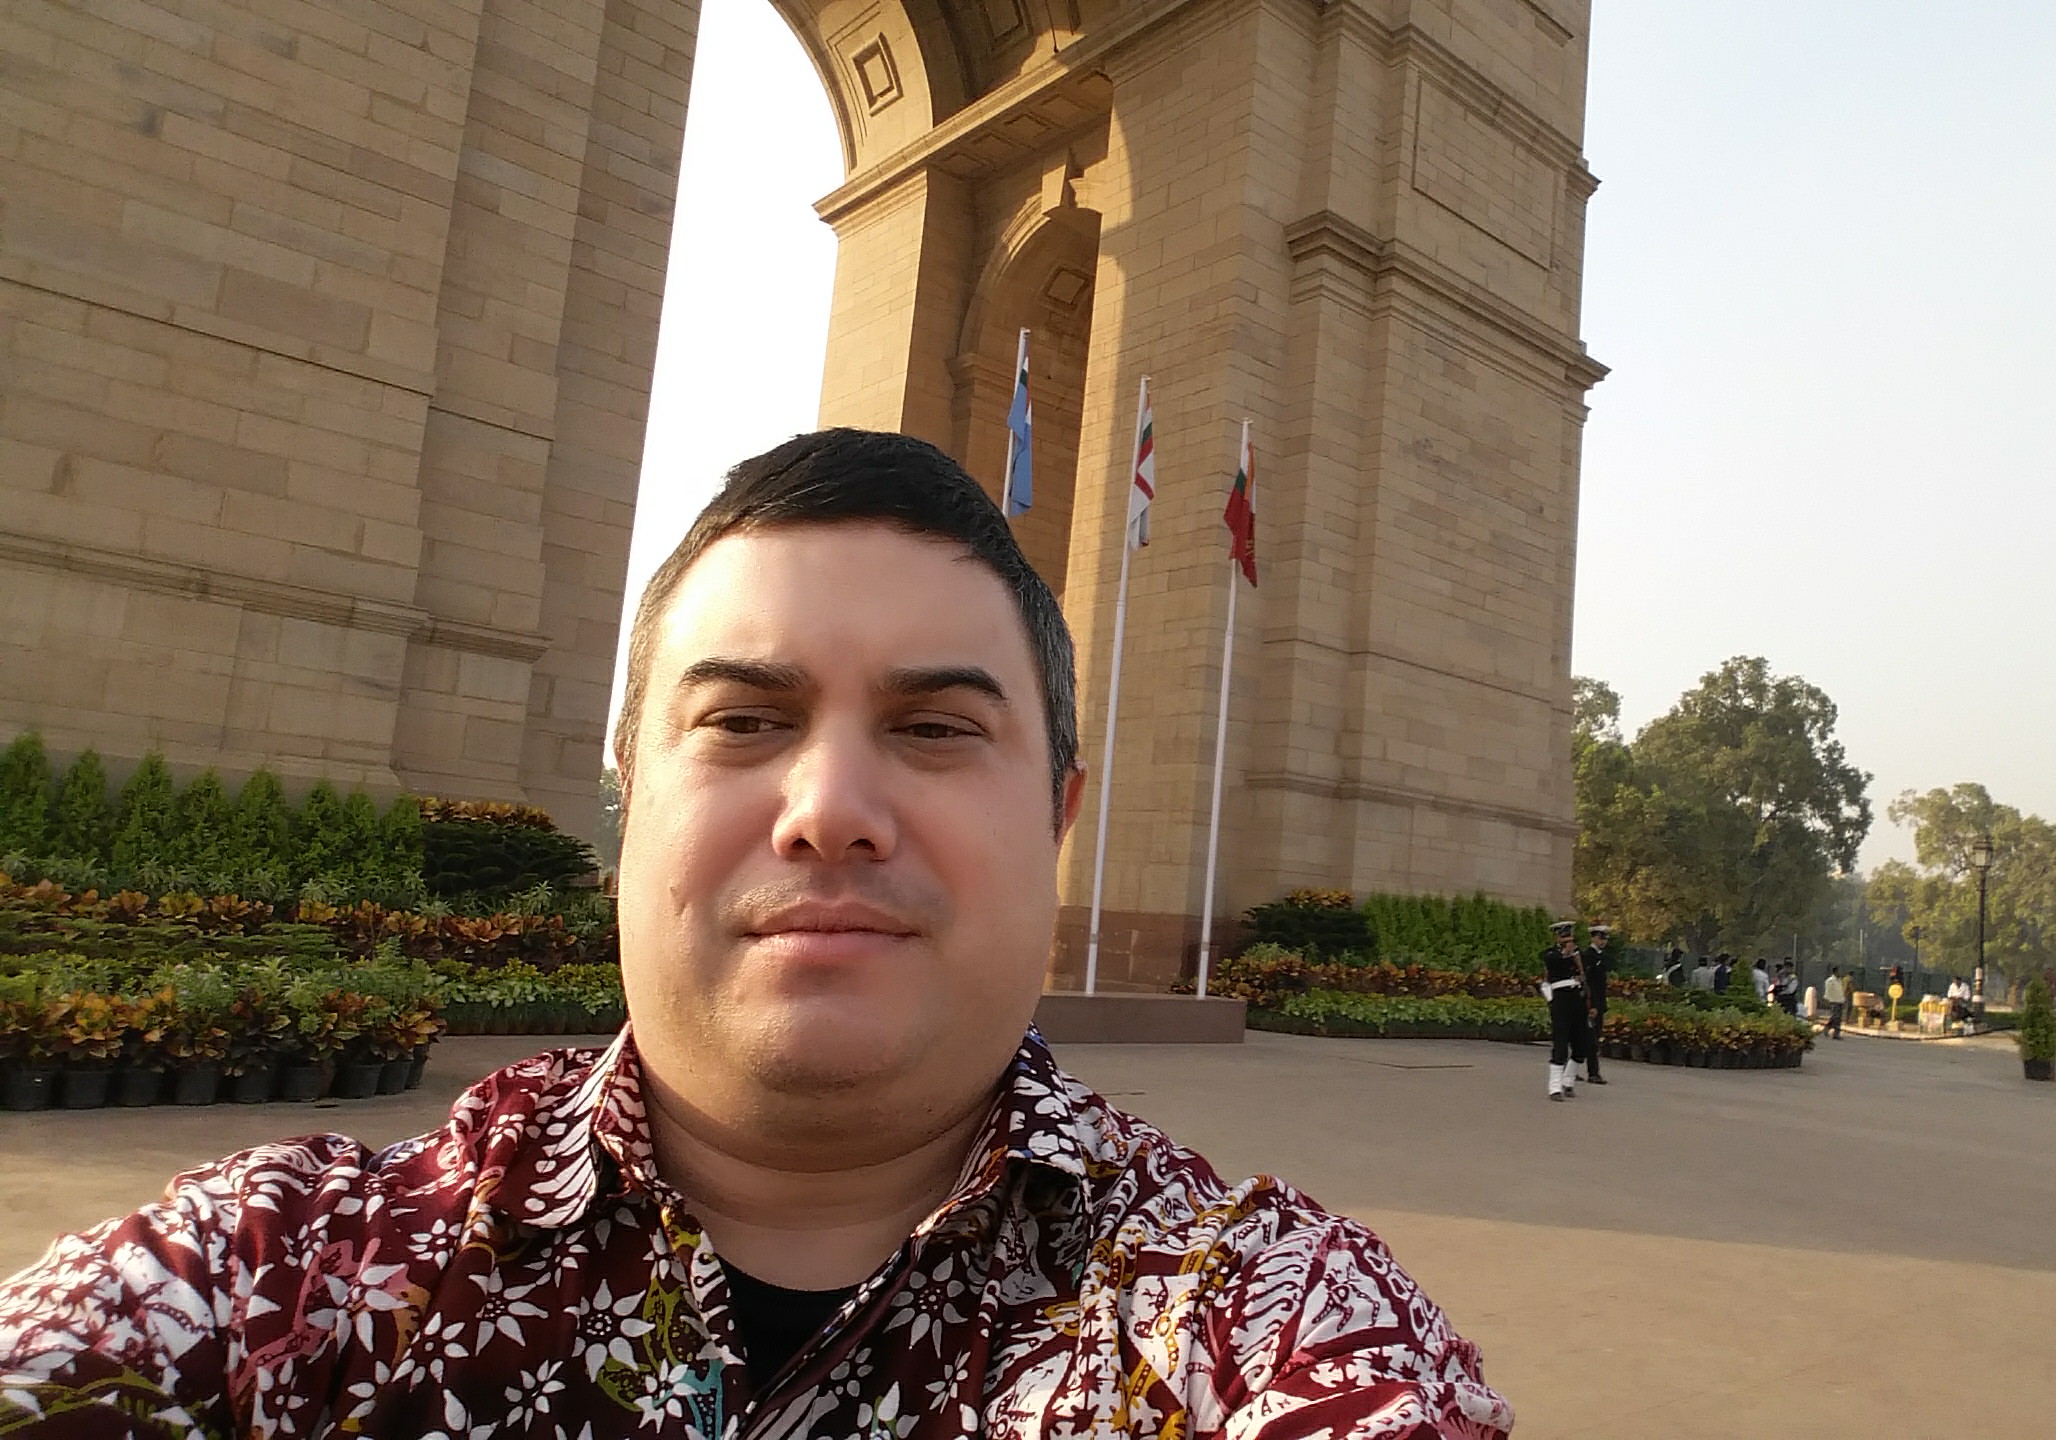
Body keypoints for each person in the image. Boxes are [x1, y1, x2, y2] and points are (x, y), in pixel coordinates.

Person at [0, 430, 1510, 1437]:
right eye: (744, 719)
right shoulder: (271, 1282)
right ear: (628, 791)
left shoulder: (1277, 1331)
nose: (830, 807)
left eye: (931, 725)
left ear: (1060, 813)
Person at [1540, 919, 1590, 1101]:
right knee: (1560, 1045)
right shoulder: (1551, 954)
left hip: (1577, 1000)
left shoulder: (1579, 956)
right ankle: (1554, 1088)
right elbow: (1552, 963)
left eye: (1570, 937)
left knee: (1581, 1045)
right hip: (1560, 1001)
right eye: (1564, 936)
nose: (1569, 940)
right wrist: (1566, 954)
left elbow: (1586, 976)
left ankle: (1568, 1082)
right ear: (1557, 937)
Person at [1582, 922, 1619, 1085]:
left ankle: (1573, 1069)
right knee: (1590, 1039)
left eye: (1605, 938)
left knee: (1589, 1038)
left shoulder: (1601, 956)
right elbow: (1590, 984)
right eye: (1600, 938)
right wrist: (1593, 1005)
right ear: (1593, 938)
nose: (1603, 941)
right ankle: (1593, 1072)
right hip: (1591, 1003)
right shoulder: (1588, 956)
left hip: (1599, 1002)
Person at [1822, 966, 1847, 1038]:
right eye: (1839, 971)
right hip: (1833, 1001)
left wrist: (1843, 999)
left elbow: (1841, 991)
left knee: (1836, 1018)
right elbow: (1828, 991)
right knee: (1836, 1017)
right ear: (1835, 972)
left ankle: (1827, 1028)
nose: (1841, 973)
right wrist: (1827, 999)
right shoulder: (1830, 981)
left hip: (1840, 1001)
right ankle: (1836, 1033)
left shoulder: (1840, 981)